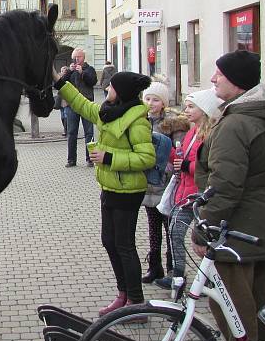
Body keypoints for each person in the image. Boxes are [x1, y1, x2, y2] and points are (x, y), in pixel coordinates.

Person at [192, 50, 265, 341]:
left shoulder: (235, 123)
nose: (214, 79)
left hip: (233, 229)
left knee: (232, 304)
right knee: (262, 299)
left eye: (219, 74)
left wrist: (204, 225)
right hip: (262, 223)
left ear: (236, 81)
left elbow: (225, 184)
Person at [54, 70, 156, 316]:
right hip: (109, 187)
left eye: (110, 86)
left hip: (127, 191)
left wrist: (109, 157)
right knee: (109, 241)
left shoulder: (137, 120)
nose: (106, 88)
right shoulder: (108, 112)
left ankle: (136, 301)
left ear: (120, 92)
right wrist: (60, 83)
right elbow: (81, 104)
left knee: (125, 246)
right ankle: (123, 294)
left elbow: (147, 157)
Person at [154, 88, 221, 289]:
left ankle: (210, 279)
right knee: (175, 232)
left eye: (192, 107)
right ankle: (178, 275)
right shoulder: (192, 131)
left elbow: (209, 166)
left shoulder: (211, 134)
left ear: (205, 109)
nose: (187, 110)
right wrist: (168, 150)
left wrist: (186, 165)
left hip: (201, 194)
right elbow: (183, 157)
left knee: (206, 240)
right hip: (185, 192)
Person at [140, 77, 189, 284]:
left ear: (164, 103)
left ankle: (172, 269)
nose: (151, 104)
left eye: (156, 100)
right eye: (148, 99)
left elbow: (180, 151)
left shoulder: (173, 124)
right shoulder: (141, 120)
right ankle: (154, 267)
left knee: (170, 228)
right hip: (149, 182)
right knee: (153, 228)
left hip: (168, 183)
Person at [59, 47, 97, 167]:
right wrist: (69, 72)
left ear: (83, 57)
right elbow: (61, 84)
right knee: (71, 133)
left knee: (89, 133)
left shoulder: (90, 69)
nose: (76, 59)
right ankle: (71, 160)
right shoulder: (71, 70)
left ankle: (90, 159)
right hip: (72, 106)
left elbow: (92, 82)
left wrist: (82, 73)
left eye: (78, 57)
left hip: (87, 104)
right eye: (74, 57)